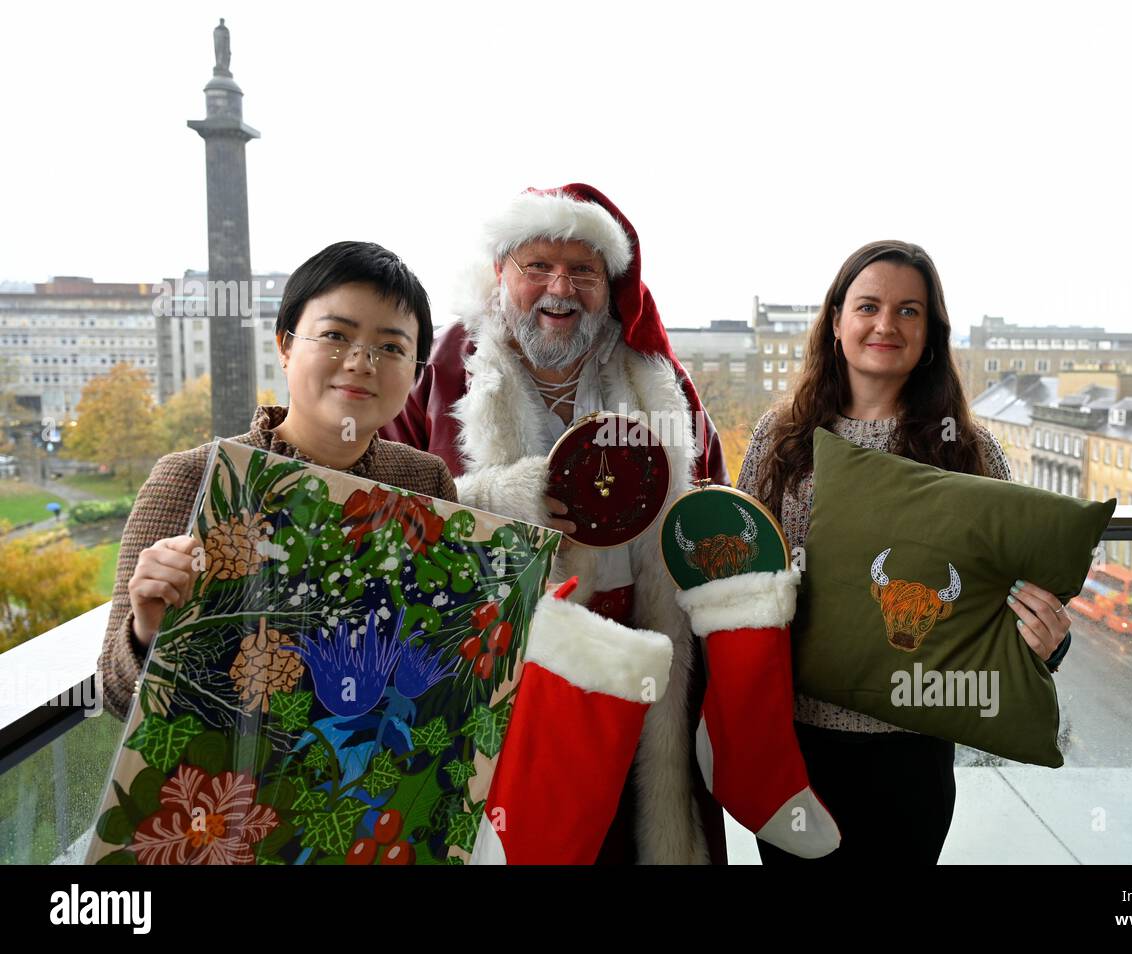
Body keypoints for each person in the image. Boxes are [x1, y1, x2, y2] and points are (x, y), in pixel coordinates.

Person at [382, 183, 729, 864]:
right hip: (513, 664)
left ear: (610, 285)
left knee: (635, 839)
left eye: (583, 271)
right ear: (500, 275)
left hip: (647, 654)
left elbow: (709, 498)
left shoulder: (655, 374)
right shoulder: (442, 364)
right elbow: (390, 510)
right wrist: (499, 497)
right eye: (537, 266)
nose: (559, 288)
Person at [737, 240, 1072, 865]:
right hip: (791, 748)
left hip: (914, 754)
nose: (886, 324)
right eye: (868, 306)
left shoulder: (970, 452)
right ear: (836, 323)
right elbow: (739, 582)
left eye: (909, 311)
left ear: (931, 335)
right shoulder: (777, 439)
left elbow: (1011, 598)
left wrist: (1047, 641)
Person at [98, 241, 453, 721]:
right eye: (335, 335)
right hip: (229, 785)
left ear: (415, 373)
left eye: (391, 347)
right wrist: (147, 632)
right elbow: (116, 697)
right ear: (285, 346)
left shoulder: (424, 480)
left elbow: (444, 659)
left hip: (380, 783)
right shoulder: (193, 479)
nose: (361, 362)